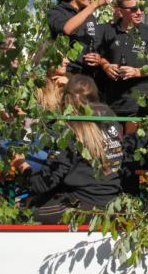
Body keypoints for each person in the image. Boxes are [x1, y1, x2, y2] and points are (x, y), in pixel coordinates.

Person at [11, 75, 124, 224]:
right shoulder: (110, 121)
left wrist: (22, 165)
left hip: (84, 206)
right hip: (114, 202)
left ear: (65, 101)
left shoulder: (69, 134)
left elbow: (42, 183)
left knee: (23, 212)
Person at [96, 0, 148, 135]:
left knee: (135, 150)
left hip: (139, 105)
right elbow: (97, 56)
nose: (139, 12)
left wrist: (137, 72)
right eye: (133, 9)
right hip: (112, 104)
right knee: (114, 151)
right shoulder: (107, 31)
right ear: (119, 11)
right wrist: (105, 65)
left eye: (141, 8)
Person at [46, 0, 113, 77]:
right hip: (66, 75)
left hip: (89, 77)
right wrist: (94, 5)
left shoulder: (90, 16)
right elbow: (67, 29)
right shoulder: (57, 12)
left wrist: (98, 58)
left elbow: (95, 44)